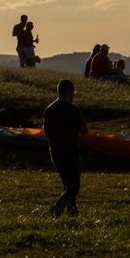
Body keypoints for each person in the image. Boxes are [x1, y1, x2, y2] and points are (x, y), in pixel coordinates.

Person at [42, 79, 87, 217]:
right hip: (70, 152)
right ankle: (55, 210)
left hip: (55, 152)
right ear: (69, 92)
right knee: (73, 187)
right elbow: (84, 130)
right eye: (73, 92)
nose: (74, 94)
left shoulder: (49, 109)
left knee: (67, 185)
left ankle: (72, 211)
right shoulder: (72, 109)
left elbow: (46, 132)